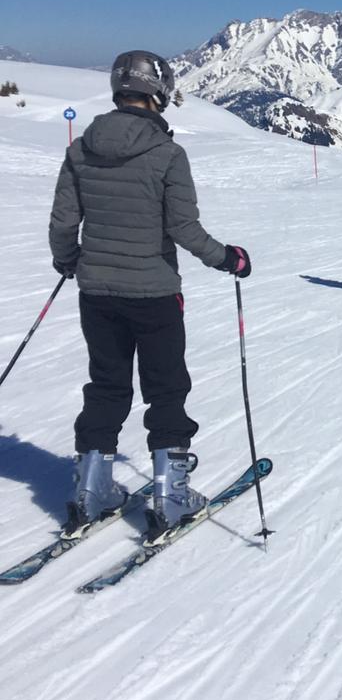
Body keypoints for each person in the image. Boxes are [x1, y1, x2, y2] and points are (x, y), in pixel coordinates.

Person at [48, 50, 252, 543]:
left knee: (107, 386)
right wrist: (228, 258)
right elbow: (182, 227)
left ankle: (91, 491)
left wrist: (69, 260)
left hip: (96, 291)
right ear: (159, 92)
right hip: (155, 292)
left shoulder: (82, 148)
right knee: (165, 388)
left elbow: (62, 221)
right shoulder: (167, 154)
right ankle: (170, 495)